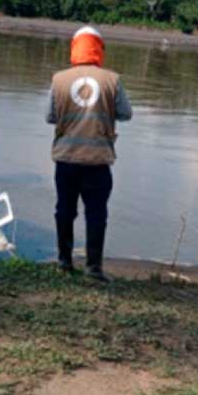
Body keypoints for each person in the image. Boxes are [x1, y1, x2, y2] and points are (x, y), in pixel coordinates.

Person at [46, 26, 132, 281]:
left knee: (64, 210)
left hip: (66, 158)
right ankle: (93, 268)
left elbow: (50, 116)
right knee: (96, 213)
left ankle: (64, 262)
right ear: (98, 48)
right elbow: (126, 114)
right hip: (97, 161)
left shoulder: (58, 79)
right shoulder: (112, 80)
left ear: (75, 47)